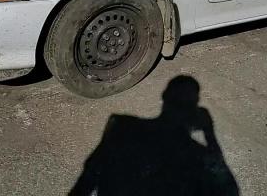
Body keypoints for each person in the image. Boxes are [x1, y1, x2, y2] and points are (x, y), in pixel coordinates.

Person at [69, 75, 239, 195]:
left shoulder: (123, 128)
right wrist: (210, 134)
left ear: (164, 97)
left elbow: (86, 180)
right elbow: (229, 191)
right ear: (194, 114)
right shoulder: (197, 157)